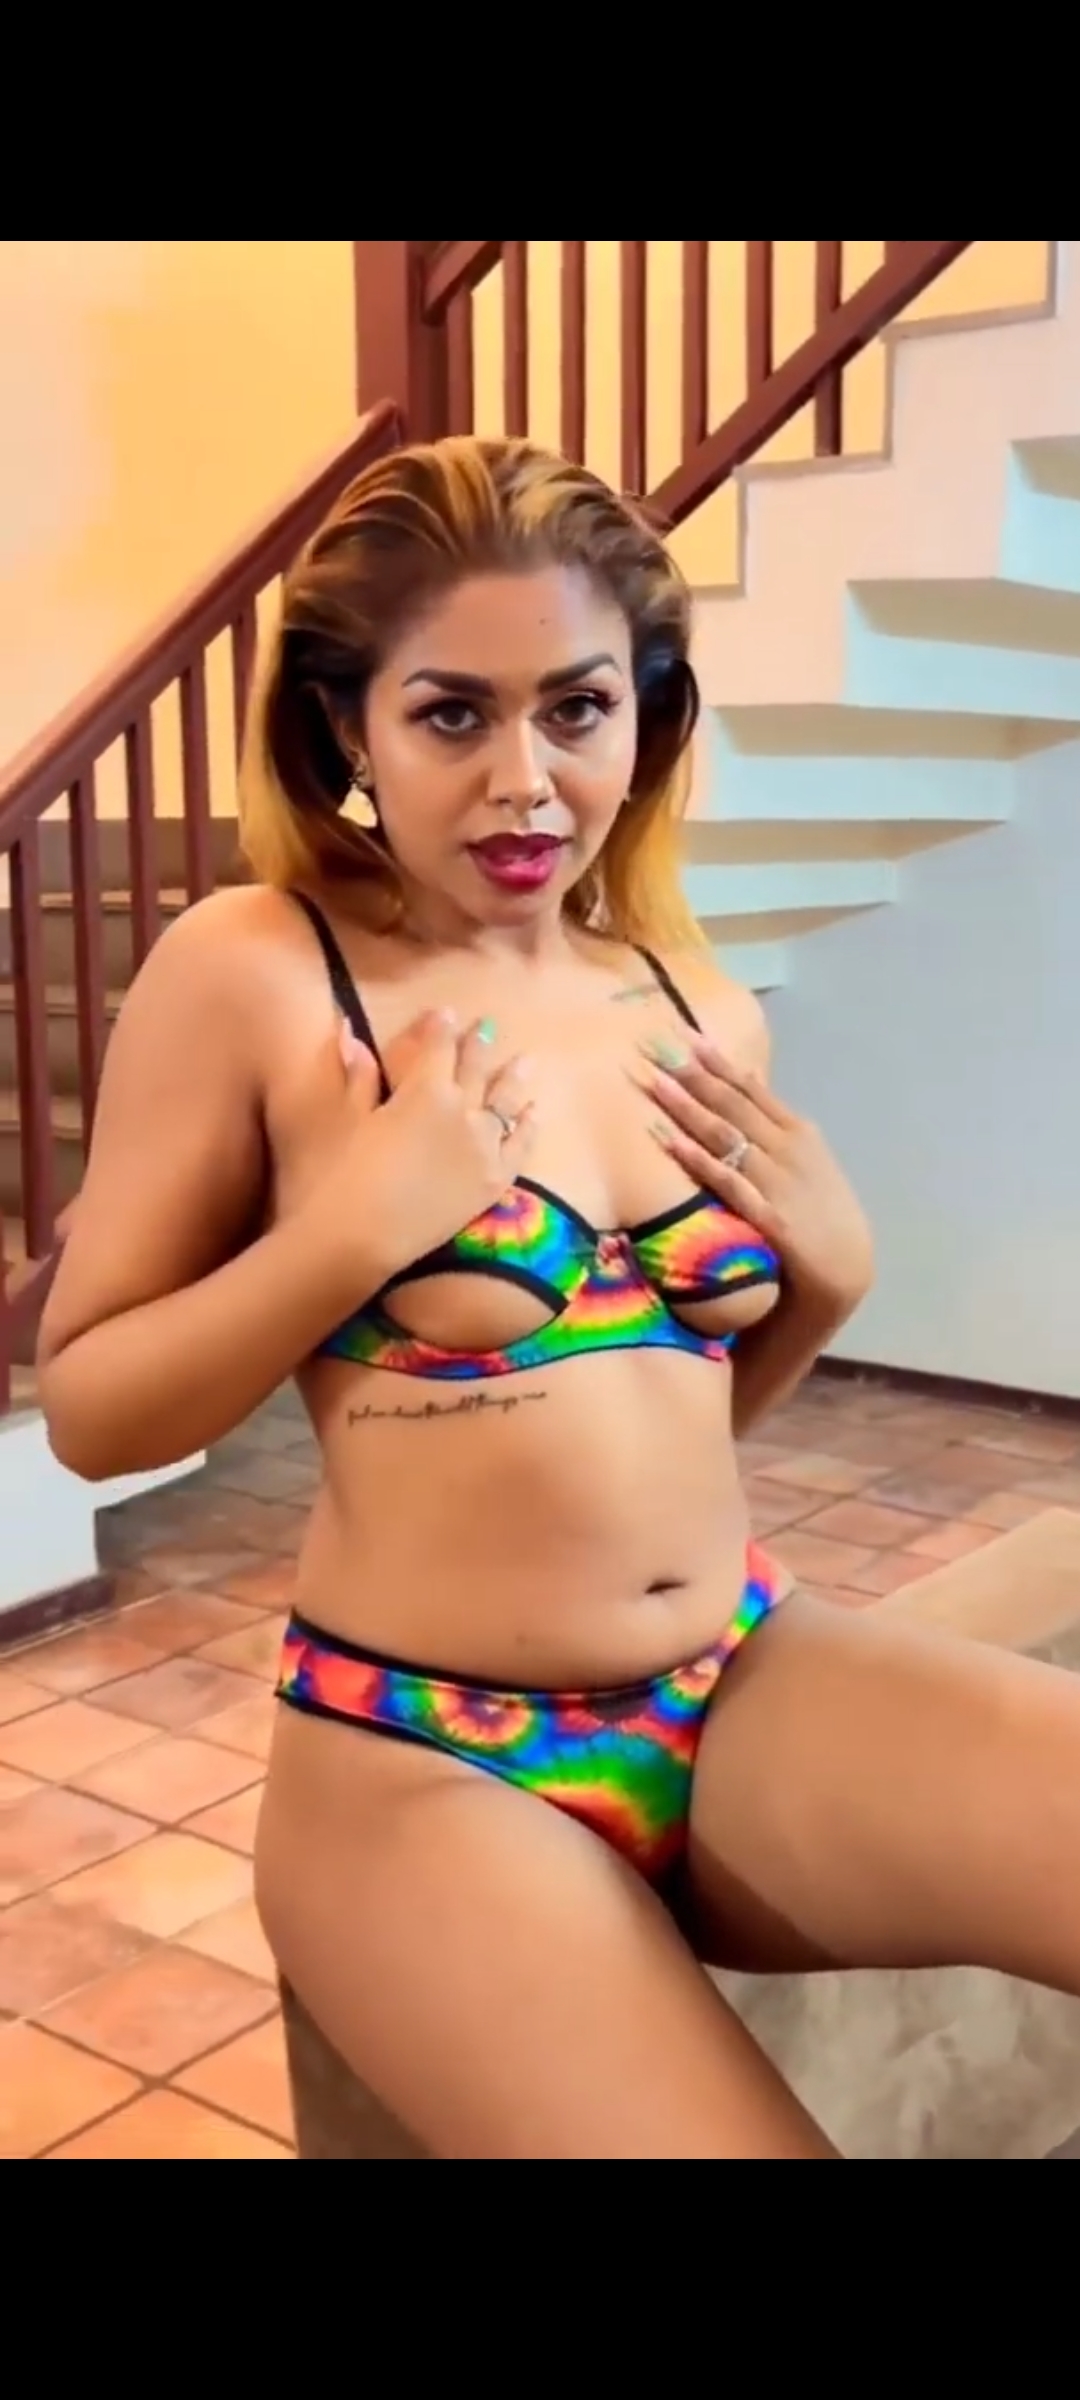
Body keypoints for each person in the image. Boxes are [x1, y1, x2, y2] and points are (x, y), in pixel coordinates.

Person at [38, 434, 1080, 2161]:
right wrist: (351, 1233)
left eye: (577, 709)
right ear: (347, 726)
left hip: (739, 1677)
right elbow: (85, 1411)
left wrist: (827, 1286)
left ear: (642, 719)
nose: (524, 781)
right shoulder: (260, 973)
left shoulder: (688, 994)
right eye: (453, 714)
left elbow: (671, 1417)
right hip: (424, 1761)